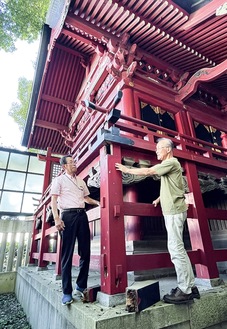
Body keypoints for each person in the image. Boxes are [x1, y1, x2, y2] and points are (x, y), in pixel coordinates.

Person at [115, 137, 200, 304]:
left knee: (176, 250)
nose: (156, 151)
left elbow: (148, 171)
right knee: (178, 249)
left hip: (174, 212)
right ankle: (190, 286)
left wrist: (127, 169)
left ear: (168, 149)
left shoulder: (171, 162)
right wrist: (160, 198)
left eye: (159, 148)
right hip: (174, 210)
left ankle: (185, 289)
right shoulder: (172, 166)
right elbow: (176, 186)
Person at [51, 155, 100, 305]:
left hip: (81, 215)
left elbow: (86, 198)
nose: (74, 164)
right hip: (67, 216)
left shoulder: (80, 181)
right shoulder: (58, 180)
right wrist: (57, 218)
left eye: (74, 162)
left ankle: (81, 285)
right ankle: (66, 292)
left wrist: (99, 202)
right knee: (67, 253)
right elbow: (53, 200)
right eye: (71, 162)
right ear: (64, 166)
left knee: (85, 251)